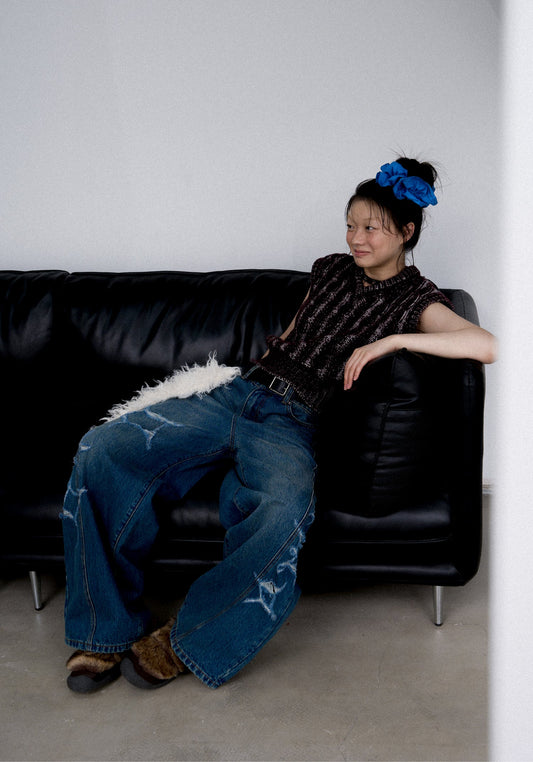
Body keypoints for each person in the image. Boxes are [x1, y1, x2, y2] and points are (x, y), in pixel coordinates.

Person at [62, 157, 496, 693]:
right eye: (351, 225)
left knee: (284, 510)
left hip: (293, 421)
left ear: (406, 232)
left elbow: (486, 345)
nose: (356, 239)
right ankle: (104, 631)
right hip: (239, 391)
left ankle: (186, 639)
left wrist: (394, 340)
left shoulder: (417, 299)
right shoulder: (330, 269)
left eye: (371, 228)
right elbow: (294, 334)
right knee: (103, 447)